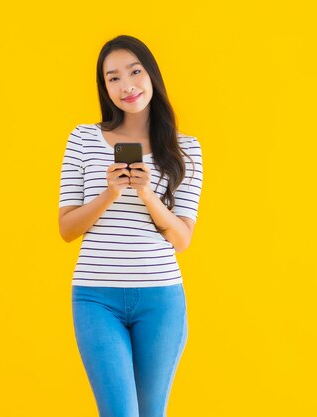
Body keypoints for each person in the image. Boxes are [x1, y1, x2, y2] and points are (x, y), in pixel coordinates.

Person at [58, 35, 203, 417]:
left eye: (135, 72)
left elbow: (182, 238)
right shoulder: (83, 138)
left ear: (151, 75)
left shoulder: (185, 149)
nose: (127, 86)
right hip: (96, 298)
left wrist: (147, 194)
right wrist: (109, 193)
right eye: (113, 78)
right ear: (104, 88)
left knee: (151, 413)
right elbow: (67, 228)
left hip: (161, 299)